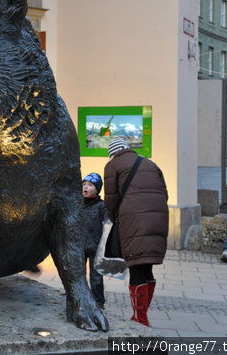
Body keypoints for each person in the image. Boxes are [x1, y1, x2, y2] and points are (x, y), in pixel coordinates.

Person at [103, 137, 168, 327]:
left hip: (133, 221)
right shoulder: (151, 163)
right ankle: (142, 314)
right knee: (146, 267)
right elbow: (165, 194)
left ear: (113, 153)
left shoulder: (113, 165)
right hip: (158, 219)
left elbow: (111, 200)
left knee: (136, 265)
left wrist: (114, 220)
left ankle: (141, 318)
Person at [82, 172, 106, 309]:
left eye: (90, 185)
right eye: (84, 184)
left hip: (96, 248)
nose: (85, 187)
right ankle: (82, 296)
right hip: (80, 247)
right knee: (79, 274)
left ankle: (99, 301)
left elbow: (108, 225)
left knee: (96, 277)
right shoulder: (78, 204)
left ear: (97, 189)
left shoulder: (101, 206)